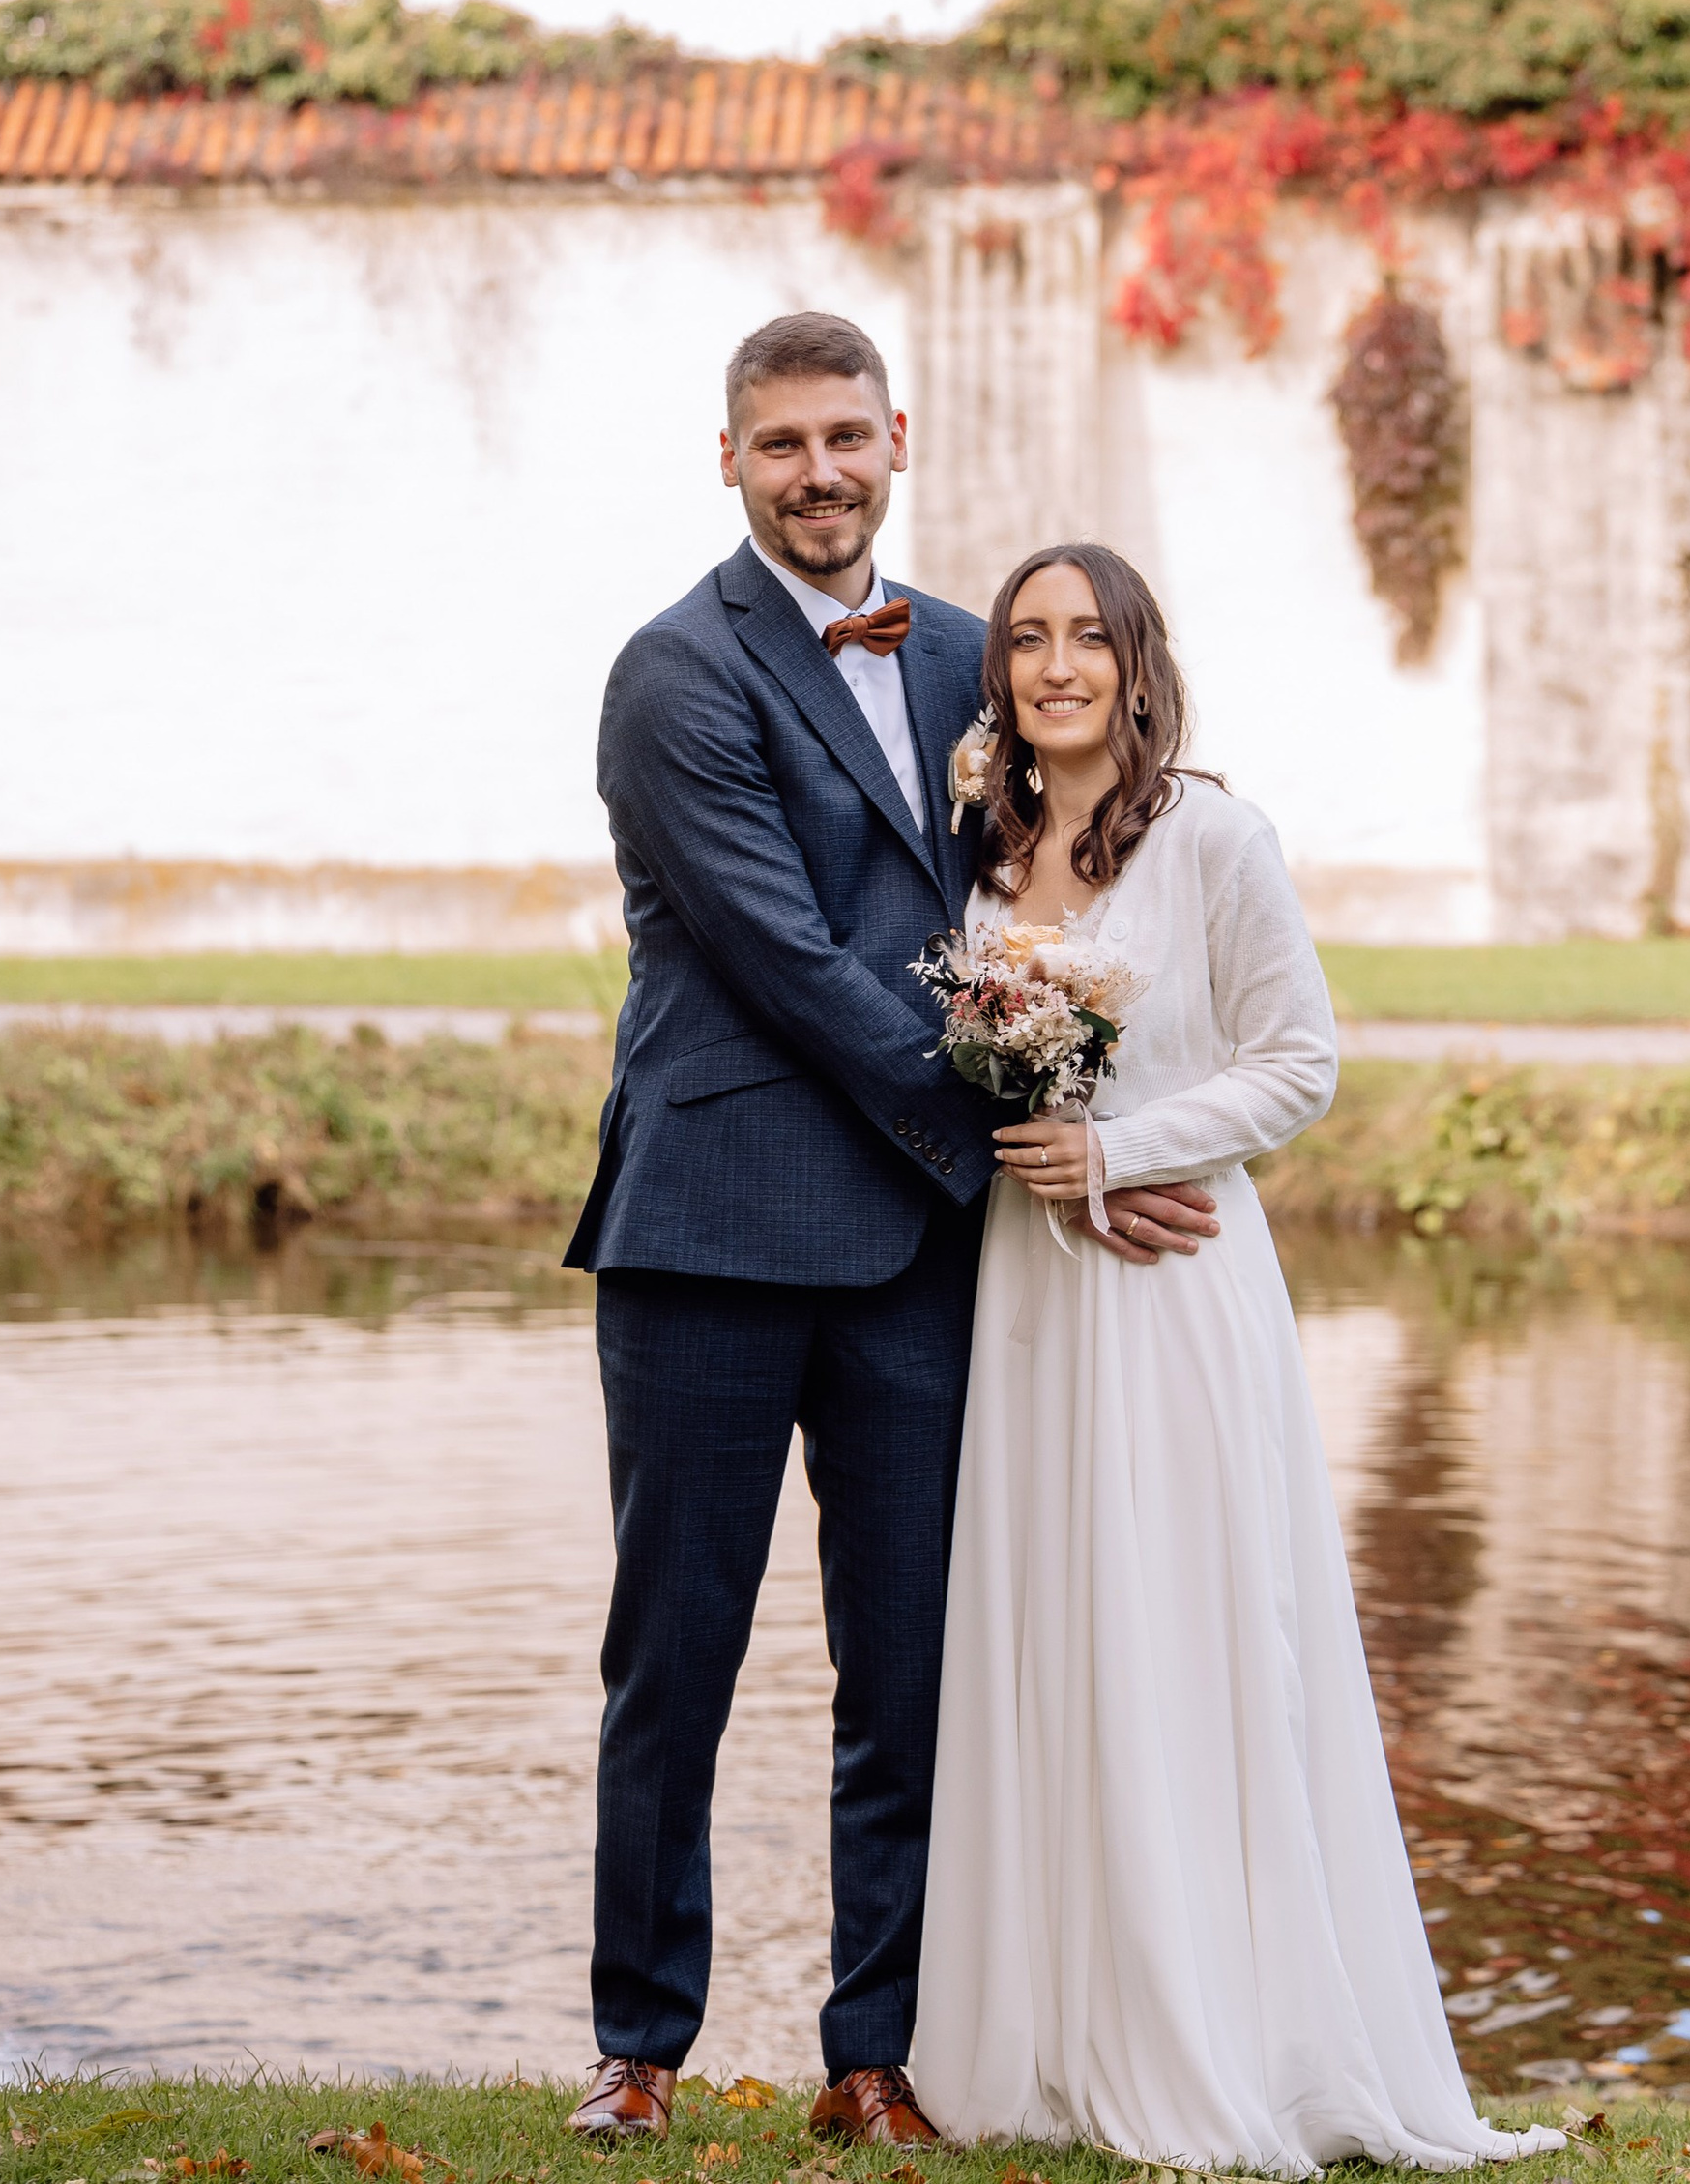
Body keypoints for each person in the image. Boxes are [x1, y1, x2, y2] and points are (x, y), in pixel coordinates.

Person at [562, 317, 1222, 2143]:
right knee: (673, 1654)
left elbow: (1070, 877)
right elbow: (790, 960)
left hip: (925, 1249)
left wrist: (1123, 1124)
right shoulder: (672, 673)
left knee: (914, 1665)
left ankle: (879, 2053)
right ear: (731, 463)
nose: (819, 471)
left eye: (845, 435)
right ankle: (639, 2048)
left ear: (897, 437)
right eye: (781, 444)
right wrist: (1033, 1128)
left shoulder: (972, 655)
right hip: (709, 1230)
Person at [911, 545, 1560, 2174]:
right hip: (1030, 1293)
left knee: (1184, 1627)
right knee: (1051, 1622)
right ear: (999, 674)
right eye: (1027, 641)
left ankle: (1221, 2028)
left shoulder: (1214, 836)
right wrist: (1042, 1144)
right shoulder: (979, 857)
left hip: (1175, 1289)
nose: (1057, 665)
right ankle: (1050, 2035)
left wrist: (1124, 1150)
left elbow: (1300, 1062)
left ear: (1138, 663)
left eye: (1087, 638)